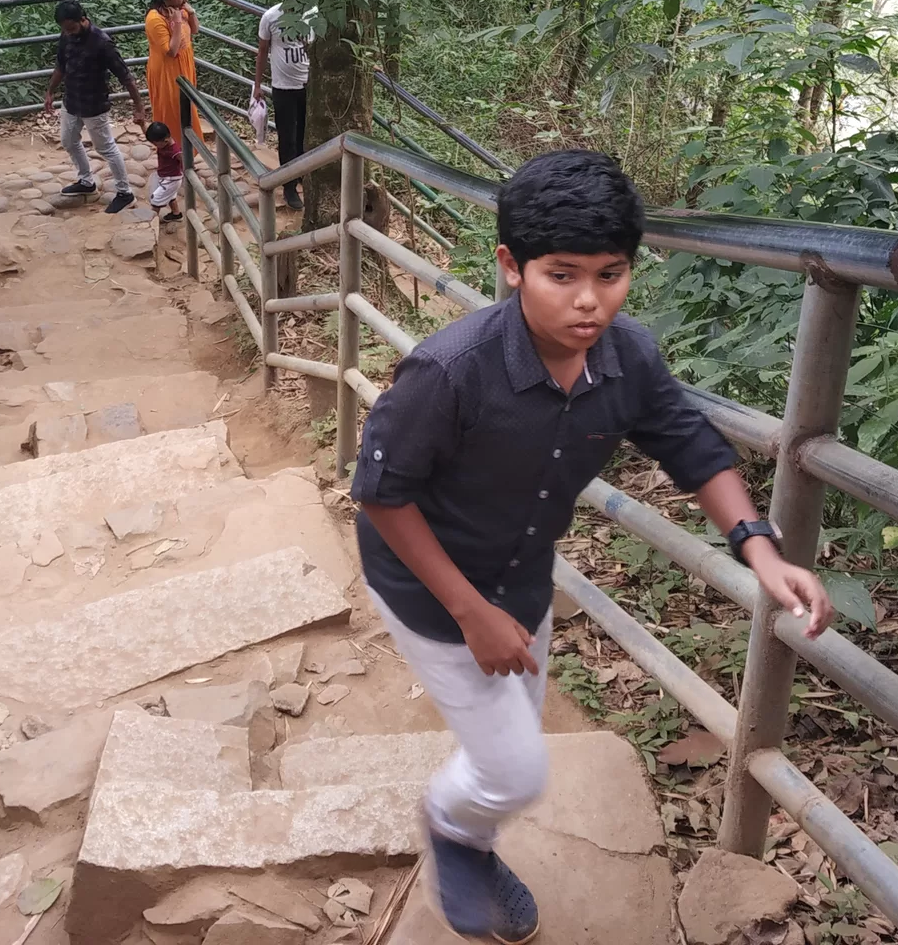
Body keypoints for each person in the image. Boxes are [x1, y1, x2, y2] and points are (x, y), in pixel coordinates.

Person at [351, 149, 832, 943]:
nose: (589, 302)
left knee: (514, 732)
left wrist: (760, 548)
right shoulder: (450, 373)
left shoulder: (626, 357)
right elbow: (380, 496)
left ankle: (475, 815)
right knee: (513, 769)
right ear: (511, 266)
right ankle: (454, 831)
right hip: (428, 590)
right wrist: (471, 615)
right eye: (562, 275)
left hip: (524, 576)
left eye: (610, 275)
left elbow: (690, 444)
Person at [41, 0, 148, 214]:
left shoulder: (102, 43)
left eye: (70, 28)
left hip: (94, 103)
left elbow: (126, 77)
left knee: (105, 148)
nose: (67, 33)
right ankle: (85, 180)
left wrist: (139, 106)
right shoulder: (66, 35)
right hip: (71, 100)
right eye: (64, 29)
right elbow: (61, 66)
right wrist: (50, 91)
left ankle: (124, 192)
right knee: (68, 140)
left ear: (82, 19)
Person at [252, 0, 316, 209]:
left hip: (308, 85)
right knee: (287, 137)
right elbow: (262, 51)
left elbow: (315, 49)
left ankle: (301, 176)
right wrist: (257, 84)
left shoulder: (311, 16)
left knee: (304, 135)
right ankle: (288, 186)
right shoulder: (270, 17)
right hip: (283, 87)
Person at [143, 0, 204, 147]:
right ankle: (173, 151)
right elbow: (171, 51)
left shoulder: (181, 8)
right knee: (172, 110)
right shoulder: (155, 18)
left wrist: (190, 13)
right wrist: (177, 23)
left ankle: (189, 152)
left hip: (184, 65)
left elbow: (195, 30)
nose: (185, 0)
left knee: (188, 109)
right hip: (167, 71)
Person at [145, 121, 185, 223]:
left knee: (156, 200)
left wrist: (187, 171)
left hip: (172, 179)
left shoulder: (175, 151)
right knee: (171, 197)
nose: (154, 145)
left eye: (155, 143)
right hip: (164, 176)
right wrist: (142, 125)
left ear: (165, 140)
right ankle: (176, 214)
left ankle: (151, 222)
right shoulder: (163, 143)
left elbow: (184, 160)